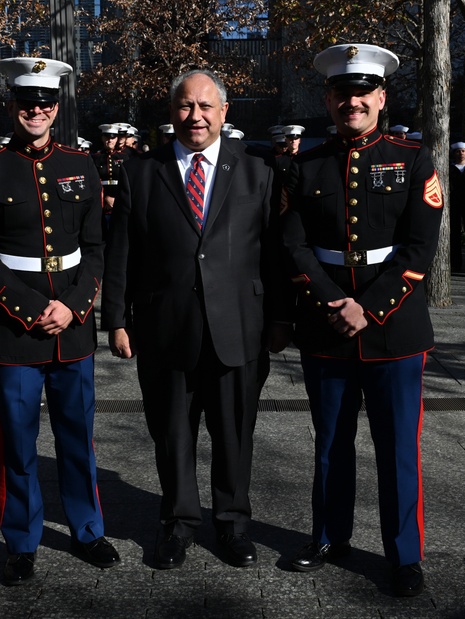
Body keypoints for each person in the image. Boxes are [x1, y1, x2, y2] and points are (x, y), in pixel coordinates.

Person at [102, 69, 283, 571]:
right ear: (171, 112)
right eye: (185, 106)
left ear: (225, 112)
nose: (195, 116)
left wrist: (280, 319)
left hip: (239, 329)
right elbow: (124, 254)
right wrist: (115, 319)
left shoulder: (258, 169)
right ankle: (177, 524)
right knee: (172, 434)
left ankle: (233, 524)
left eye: (206, 106)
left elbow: (274, 254)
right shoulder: (142, 171)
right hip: (165, 328)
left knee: (234, 434)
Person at [279, 43, 442, 597]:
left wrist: (366, 308)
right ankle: (330, 537)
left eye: (362, 93)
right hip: (327, 327)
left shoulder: (415, 159)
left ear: (381, 97)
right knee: (331, 444)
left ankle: (404, 555)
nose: (352, 102)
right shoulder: (305, 165)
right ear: (328, 99)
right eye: (341, 94)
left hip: (394, 329)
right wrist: (333, 303)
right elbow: (294, 247)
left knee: (398, 449)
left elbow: (419, 249)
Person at [0, 56, 119, 585]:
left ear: (57, 107)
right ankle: (22, 540)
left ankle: (88, 530)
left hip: (71, 321)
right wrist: (31, 309)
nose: (37, 110)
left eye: (46, 103)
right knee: (18, 442)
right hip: (14, 327)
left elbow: (96, 247)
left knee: (78, 436)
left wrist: (73, 305)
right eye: (27, 102)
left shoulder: (81, 162)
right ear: (12, 106)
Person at [447, 141, 465, 271]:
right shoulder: (449, 168)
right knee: (454, 234)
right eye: (458, 151)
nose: (460, 154)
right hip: (454, 203)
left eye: (463, 151)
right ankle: (455, 264)